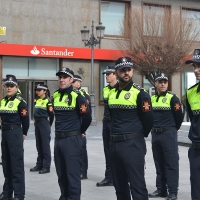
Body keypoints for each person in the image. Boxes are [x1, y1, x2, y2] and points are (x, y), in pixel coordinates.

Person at [108, 57, 154, 200]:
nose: (126, 73)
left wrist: (138, 136)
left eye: (128, 70)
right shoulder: (111, 93)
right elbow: (111, 116)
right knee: (119, 186)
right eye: (122, 70)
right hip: (115, 144)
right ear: (116, 72)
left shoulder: (140, 93)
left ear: (132, 71)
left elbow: (148, 120)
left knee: (137, 185)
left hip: (132, 144)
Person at [52, 67, 91, 200]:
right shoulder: (56, 95)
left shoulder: (78, 96)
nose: (62, 80)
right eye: (60, 77)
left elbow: (87, 118)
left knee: (72, 174)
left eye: (65, 77)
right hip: (58, 140)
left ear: (71, 80)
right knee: (61, 174)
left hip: (72, 140)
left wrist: (80, 131)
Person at [148, 73, 183, 200]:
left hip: (168, 134)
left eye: (165, 82)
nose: (163, 84)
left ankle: (173, 192)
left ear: (167, 84)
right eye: (160, 82)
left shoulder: (172, 98)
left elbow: (179, 116)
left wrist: (175, 128)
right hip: (156, 134)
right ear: (156, 84)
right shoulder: (151, 99)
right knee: (159, 162)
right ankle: (161, 189)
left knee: (171, 163)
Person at [0, 74, 29, 200]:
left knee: (16, 166)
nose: (9, 88)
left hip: (15, 133)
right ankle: (7, 192)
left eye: (11, 86)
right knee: (6, 165)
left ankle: (18, 195)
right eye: (7, 86)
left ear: (16, 88)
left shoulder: (20, 102)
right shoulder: (3, 101)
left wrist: (23, 134)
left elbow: (26, 120)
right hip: (5, 134)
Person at [96, 66, 117, 187]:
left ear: (115, 75)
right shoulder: (105, 89)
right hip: (106, 123)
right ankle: (109, 177)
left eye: (109, 74)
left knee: (118, 151)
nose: (106, 76)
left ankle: (121, 176)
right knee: (107, 151)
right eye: (106, 74)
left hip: (116, 123)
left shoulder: (120, 89)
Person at [185, 49, 200, 200]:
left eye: (199, 66)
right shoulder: (190, 93)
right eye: (194, 66)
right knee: (196, 188)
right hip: (196, 150)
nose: (196, 70)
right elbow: (192, 118)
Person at [30, 84, 54, 174]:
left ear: (45, 91)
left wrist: (48, 125)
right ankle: (39, 164)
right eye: (37, 90)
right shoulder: (37, 100)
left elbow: (51, 115)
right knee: (39, 145)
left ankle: (46, 166)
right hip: (37, 123)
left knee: (45, 146)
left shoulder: (48, 101)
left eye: (40, 90)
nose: (37, 91)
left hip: (44, 123)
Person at [72, 75, 91, 180]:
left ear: (79, 83)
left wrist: (83, 130)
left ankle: (83, 172)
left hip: (81, 127)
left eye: (74, 81)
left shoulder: (84, 95)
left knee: (82, 150)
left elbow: (88, 114)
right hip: (73, 128)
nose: (73, 83)